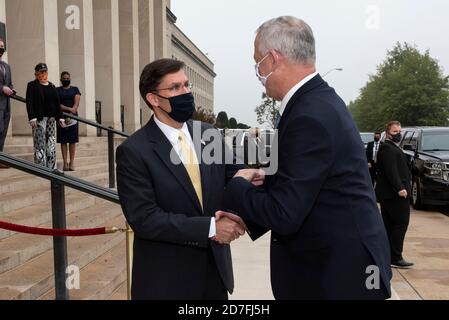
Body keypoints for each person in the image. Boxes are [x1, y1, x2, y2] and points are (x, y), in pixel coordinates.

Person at [222, 16, 392, 299]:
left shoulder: (308, 115)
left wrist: (238, 185)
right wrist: (254, 208)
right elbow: (310, 185)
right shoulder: (315, 101)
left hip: (337, 277)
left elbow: (286, 213)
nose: (257, 70)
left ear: (274, 59)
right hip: (339, 267)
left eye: (258, 62)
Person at [116, 59, 246, 300]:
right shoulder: (134, 151)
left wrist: (254, 179)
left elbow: (235, 176)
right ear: (153, 99)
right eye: (175, 88)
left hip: (214, 277)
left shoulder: (208, 134)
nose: (186, 92)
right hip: (166, 282)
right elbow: (145, 219)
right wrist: (210, 228)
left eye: (186, 85)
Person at [375, 121, 414, 269]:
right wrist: (400, 188)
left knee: (390, 225)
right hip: (395, 194)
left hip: (392, 194)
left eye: (400, 131)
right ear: (388, 132)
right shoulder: (386, 148)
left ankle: (390, 256)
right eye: (395, 132)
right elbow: (391, 171)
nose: (398, 134)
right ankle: (396, 257)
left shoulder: (392, 148)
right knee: (400, 223)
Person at [26, 63, 65, 169]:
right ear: (36, 74)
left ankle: (51, 167)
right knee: (40, 143)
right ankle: (40, 167)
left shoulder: (52, 86)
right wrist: (31, 117)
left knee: (51, 143)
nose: (43, 74)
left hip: (51, 119)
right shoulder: (32, 85)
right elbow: (29, 102)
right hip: (39, 118)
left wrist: (60, 117)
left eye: (45, 72)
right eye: (41, 72)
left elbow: (57, 103)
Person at [57, 71, 81, 171]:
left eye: (68, 78)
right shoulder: (57, 90)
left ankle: (71, 163)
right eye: (64, 78)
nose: (66, 80)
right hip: (61, 117)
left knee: (72, 141)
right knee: (63, 141)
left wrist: (72, 110)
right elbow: (57, 104)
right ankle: (65, 163)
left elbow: (76, 103)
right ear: (61, 79)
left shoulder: (75, 89)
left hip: (73, 118)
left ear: (70, 79)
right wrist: (69, 109)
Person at [0, 38, 15, 169]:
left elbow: (9, 83)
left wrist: (11, 89)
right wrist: (1, 88)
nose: (1, 49)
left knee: (3, 132)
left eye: (2, 47)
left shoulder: (6, 66)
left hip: (6, 105)